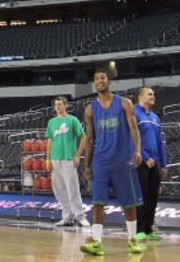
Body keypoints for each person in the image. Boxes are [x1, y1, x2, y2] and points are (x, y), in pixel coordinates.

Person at [80, 68, 143, 256]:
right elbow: (90, 138)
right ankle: (96, 242)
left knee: (128, 203)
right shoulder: (90, 108)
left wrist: (138, 150)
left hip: (122, 159)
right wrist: (87, 164)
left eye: (102, 78)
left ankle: (132, 239)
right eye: (96, 78)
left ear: (109, 81)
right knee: (98, 202)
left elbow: (134, 128)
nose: (99, 81)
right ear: (94, 83)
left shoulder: (124, 103)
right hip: (100, 161)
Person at [45, 96, 88, 227]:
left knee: (72, 188)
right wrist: (47, 158)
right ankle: (67, 216)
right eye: (56, 105)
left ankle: (80, 216)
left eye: (60, 104)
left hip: (68, 158)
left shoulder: (72, 120)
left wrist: (77, 156)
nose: (57, 107)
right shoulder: (52, 122)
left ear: (66, 105)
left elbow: (84, 137)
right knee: (59, 190)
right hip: (55, 158)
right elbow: (50, 140)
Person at [134, 86, 167, 243]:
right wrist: (145, 157)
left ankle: (148, 229)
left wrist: (164, 164)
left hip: (155, 163)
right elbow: (132, 138)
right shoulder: (134, 113)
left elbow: (160, 142)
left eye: (154, 94)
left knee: (153, 197)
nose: (153, 96)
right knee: (142, 196)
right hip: (141, 162)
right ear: (141, 96)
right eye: (150, 94)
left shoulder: (155, 117)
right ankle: (139, 230)